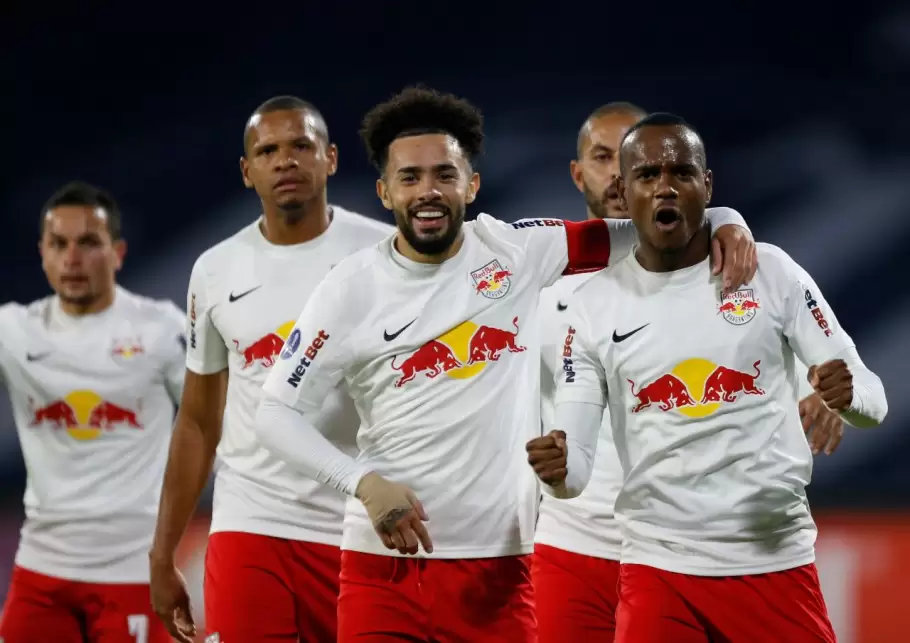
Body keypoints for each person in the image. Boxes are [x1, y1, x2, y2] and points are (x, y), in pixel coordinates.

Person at [253, 86, 756, 642]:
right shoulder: (349, 288)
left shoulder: (516, 252)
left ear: (471, 185)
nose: (428, 191)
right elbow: (274, 413)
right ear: (384, 192)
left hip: (501, 577)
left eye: (444, 175)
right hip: (384, 573)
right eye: (410, 178)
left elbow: (654, 223)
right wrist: (363, 484)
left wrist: (727, 219)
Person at [529, 113, 888, 643]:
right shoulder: (591, 306)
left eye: (681, 172)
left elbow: (872, 398)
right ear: (624, 193)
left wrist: (850, 395)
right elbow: (576, 465)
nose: (665, 187)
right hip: (657, 568)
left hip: (772, 561)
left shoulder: (771, 272)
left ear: (708, 185)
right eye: (647, 175)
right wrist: (559, 471)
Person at [148, 96, 393, 643]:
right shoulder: (215, 271)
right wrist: (162, 554)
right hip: (251, 523)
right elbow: (198, 421)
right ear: (247, 170)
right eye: (268, 150)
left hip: (359, 526)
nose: (285, 160)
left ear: (330, 158)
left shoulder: (383, 254)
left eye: (301, 145)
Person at [0, 181, 184, 643]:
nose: (72, 259)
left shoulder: (162, 329)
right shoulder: (14, 331)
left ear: (117, 253)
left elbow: (218, 418)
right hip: (41, 572)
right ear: (42, 253)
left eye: (88, 243)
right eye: (58, 244)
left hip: (132, 572)